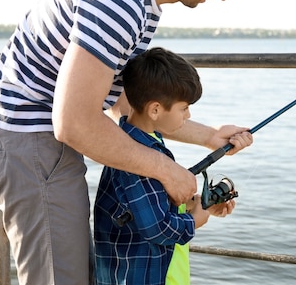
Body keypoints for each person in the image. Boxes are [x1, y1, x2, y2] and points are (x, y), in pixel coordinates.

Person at [0, 0, 257, 285]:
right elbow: (74, 123)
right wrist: (166, 169)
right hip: (28, 144)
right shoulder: (120, 2)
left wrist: (208, 136)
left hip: (37, 144)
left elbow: (128, 106)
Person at [94, 47, 233, 285]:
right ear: (155, 109)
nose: (188, 115)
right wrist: (196, 220)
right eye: (184, 108)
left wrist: (200, 206)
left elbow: (150, 204)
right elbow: (157, 228)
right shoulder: (139, 160)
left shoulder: (141, 143)